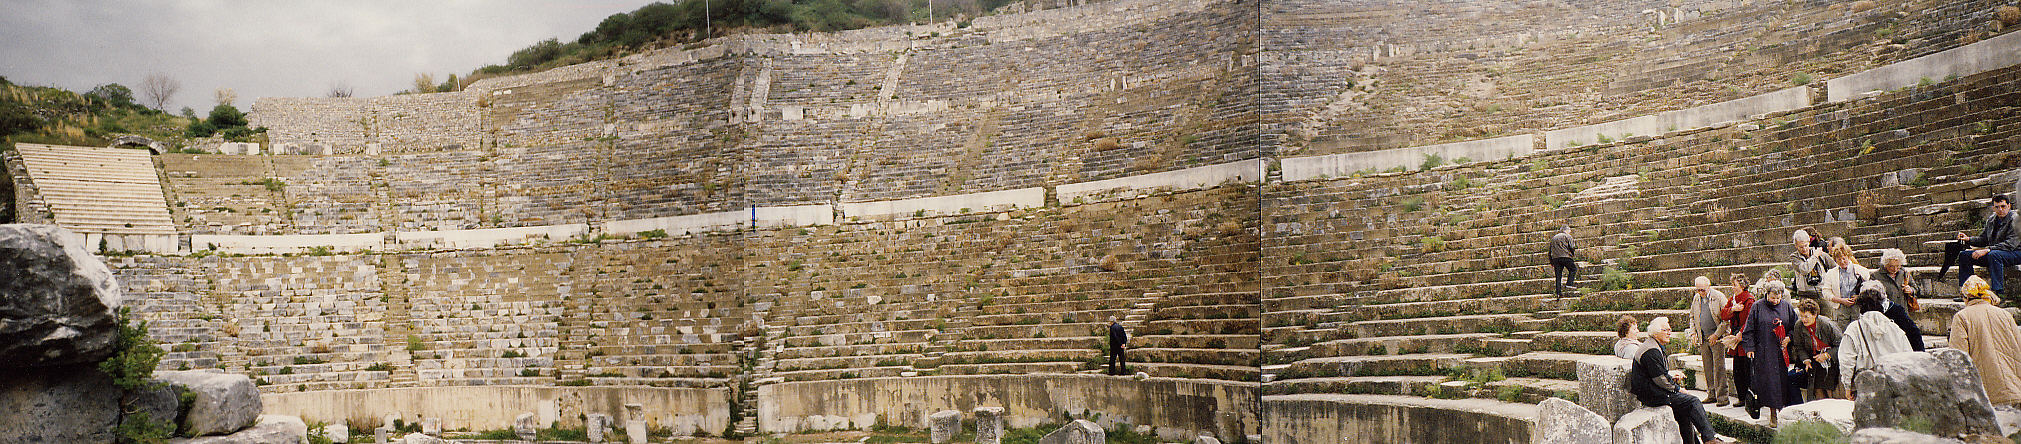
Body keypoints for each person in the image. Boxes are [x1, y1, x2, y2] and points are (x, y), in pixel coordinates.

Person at [1627, 317, 1724, 444]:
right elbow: (1660, 379)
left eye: (1670, 329)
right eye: (1666, 330)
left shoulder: (1654, 345)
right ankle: (1710, 439)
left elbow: (1658, 374)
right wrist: (1678, 389)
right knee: (1693, 401)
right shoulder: (1651, 350)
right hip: (1652, 395)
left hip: (1654, 391)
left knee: (1684, 410)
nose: (1669, 332)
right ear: (1656, 333)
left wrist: (1671, 378)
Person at [1949, 276, 2021, 406]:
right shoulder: (2005, 314)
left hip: (1986, 394)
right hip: (2015, 389)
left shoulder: (1962, 317)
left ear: (1966, 297)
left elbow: (1958, 356)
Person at [1738, 277, 1799, 424]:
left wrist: (1789, 338)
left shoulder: (1786, 306)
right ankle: (1773, 413)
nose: (1776, 300)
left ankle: (1782, 411)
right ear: (1767, 294)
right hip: (1764, 351)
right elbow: (1749, 329)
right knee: (1770, 383)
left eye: (1778, 298)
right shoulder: (1757, 307)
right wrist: (1749, 348)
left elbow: (1794, 326)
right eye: (1773, 297)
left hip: (1781, 351)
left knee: (1782, 382)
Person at [1838, 281, 1914, 397]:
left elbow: (1846, 360)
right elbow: (1908, 355)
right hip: (1894, 383)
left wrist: (1848, 387)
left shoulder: (1854, 329)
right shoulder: (1894, 327)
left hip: (1867, 385)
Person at [1955, 195, 2020, 297]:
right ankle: (1968, 293)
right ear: (1993, 208)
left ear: (2009, 206)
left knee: (1994, 255)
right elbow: (1983, 239)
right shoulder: (1991, 220)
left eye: (2003, 206)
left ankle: (1998, 294)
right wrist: (1968, 239)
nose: (2000, 210)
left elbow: (2011, 244)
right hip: (1996, 252)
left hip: (2015, 252)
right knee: (1964, 255)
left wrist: (1988, 249)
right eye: (1997, 207)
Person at [1868, 249, 1927, 351]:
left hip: (1903, 312)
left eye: (1898, 266)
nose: (1895, 269)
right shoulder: (1875, 276)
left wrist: (1911, 290)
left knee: (1913, 335)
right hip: (1887, 314)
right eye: (1891, 266)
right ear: (1885, 264)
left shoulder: (1903, 273)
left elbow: (1916, 288)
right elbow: (1871, 295)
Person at [1687, 276, 1732, 405]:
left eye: (1702, 290)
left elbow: (1726, 319)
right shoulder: (1697, 298)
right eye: (1698, 290)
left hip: (1716, 338)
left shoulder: (1719, 297)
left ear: (1709, 286)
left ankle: (1722, 397)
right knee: (1707, 367)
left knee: (1719, 368)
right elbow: (1692, 316)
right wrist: (1693, 332)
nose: (1700, 292)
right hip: (1703, 337)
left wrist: (1716, 335)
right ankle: (1711, 394)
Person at [1789, 299, 1842, 400]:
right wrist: (1806, 360)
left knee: (1828, 389)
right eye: (1801, 316)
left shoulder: (1827, 324)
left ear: (1814, 315)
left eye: (1806, 316)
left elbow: (1841, 344)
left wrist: (1827, 355)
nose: (1803, 319)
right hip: (1813, 358)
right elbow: (1799, 346)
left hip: (1831, 359)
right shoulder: (1799, 326)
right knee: (1816, 388)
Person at [1719, 273, 1756, 408]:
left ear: (1742, 285)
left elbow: (1750, 319)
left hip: (1745, 339)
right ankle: (1741, 397)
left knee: (1748, 370)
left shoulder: (1749, 300)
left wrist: (1742, 333)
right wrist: (1733, 309)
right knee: (1737, 370)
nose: (1733, 287)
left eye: (1735, 285)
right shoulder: (1733, 299)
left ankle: (1750, 398)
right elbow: (1723, 314)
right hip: (1736, 338)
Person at [1817, 241, 1871, 325]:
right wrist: (1840, 300)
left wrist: (1859, 297)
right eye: (1839, 259)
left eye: (1844, 258)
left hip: (1858, 307)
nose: (1842, 261)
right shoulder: (1831, 273)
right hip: (1840, 309)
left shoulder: (1862, 271)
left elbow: (1869, 289)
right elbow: (1826, 292)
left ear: (1849, 257)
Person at [1791, 228, 1834, 297]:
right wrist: (1815, 256)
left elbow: (1834, 266)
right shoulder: (1794, 257)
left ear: (1809, 242)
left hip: (1822, 292)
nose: (1804, 249)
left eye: (1806, 245)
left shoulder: (1820, 254)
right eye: (1801, 247)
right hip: (1805, 294)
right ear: (1796, 246)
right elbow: (1804, 270)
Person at [1550, 226, 1578, 298]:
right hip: (1565, 256)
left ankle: (1558, 293)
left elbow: (1550, 250)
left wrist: (1551, 261)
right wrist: (1572, 254)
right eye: (1570, 230)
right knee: (1573, 269)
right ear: (1566, 230)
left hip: (1555, 258)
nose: (1570, 232)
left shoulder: (1554, 238)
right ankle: (1569, 284)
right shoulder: (1567, 236)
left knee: (1558, 276)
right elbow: (1572, 246)